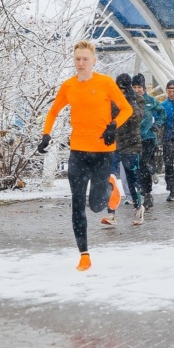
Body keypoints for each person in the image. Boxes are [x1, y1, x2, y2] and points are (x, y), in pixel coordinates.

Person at [39, 40, 133, 271]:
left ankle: (110, 186)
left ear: (93, 61)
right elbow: (53, 111)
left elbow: (127, 109)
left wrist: (113, 126)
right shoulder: (69, 86)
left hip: (102, 152)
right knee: (77, 203)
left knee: (96, 205)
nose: (81, 63)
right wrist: (46, 134)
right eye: (77, 59)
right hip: (78, 151)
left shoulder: (105, 83)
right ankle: (84, 255)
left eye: (85, 59)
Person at [103, 73, 145, 226]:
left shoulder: (138, 99)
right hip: (113, 144)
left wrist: (129, 102)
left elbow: (137, 118)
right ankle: (111, 213)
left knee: (132, 179)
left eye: (123, 89)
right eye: (118, 88)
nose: (120, 91)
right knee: (110, 178)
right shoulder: (111, 99)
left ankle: (138, 207)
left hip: (131, 144)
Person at [132, 74, 166, 208]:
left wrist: (157, 124)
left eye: (139, 87)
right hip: (134, 138)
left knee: (143, 162)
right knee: (138, 165)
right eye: (134, 87)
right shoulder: (129, 101)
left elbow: (162, 113)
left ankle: (147, 193)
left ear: (144, 87)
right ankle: (142, 190)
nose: (137, 90)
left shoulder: (151, 101)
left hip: (149, 137)